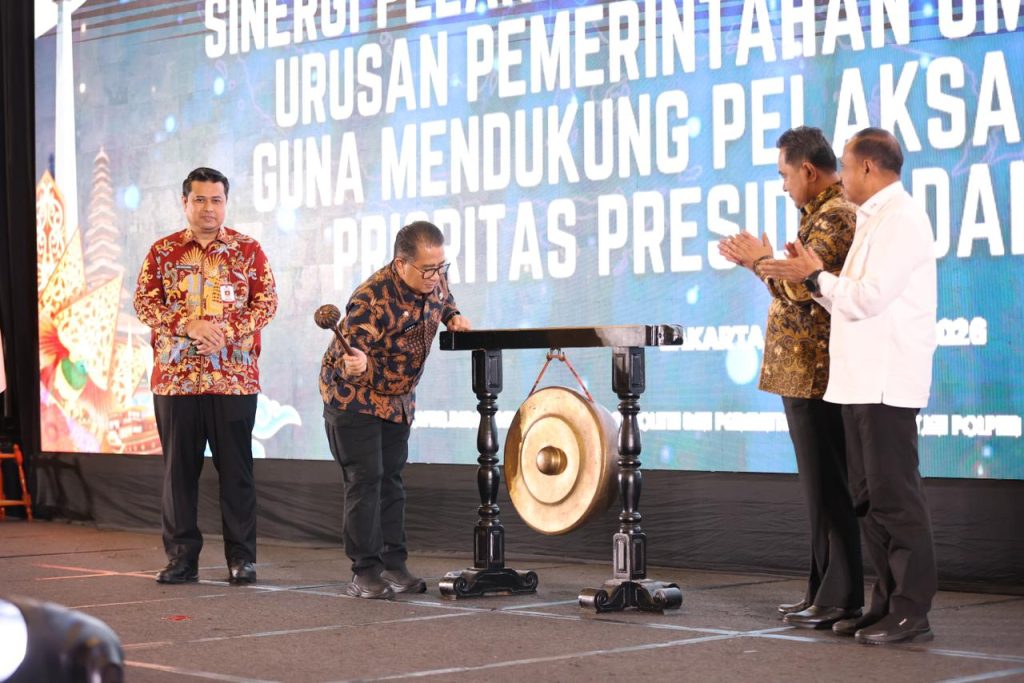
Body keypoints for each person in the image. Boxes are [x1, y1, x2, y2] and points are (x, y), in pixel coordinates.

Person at [760, 128, 938, 645]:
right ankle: (883, 604)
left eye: (845, 165)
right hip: (857, 382)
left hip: (887, 382)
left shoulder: (902, 218)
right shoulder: (869, 218)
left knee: (895, 500)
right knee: (868, 501)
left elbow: (869, 298)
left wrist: (815, 277)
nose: (840, 175)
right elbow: (845, 298)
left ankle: (911, 610)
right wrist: (813, 278)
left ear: (867, 168)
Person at [719, 126, 863, 629]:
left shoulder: (836, 215)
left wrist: (760, 262)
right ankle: (822, 592)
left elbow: (803, 291)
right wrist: (763, 265)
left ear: (807, 170)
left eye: (785, 175)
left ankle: (841, 597)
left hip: (817, 374)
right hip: (803, 374)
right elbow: (792, 285)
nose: (783, 186)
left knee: (829, 488)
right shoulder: (817, 216)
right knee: (818, 491)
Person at [134, 167, 278, 585]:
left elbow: (267, 303)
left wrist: (224, 332)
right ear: (185, 203)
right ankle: (181, 558)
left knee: (237, 473)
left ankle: (242, 559)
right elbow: (144, 303)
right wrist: (188, 325)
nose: (208, 208)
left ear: (225, 203)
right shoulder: (162, 252)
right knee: (179, 474)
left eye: (216, 200)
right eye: (199, 200)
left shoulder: (248, 250)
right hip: (176, 381)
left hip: (233, 379)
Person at [319, 221, 471, 599]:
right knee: (366, 481)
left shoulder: (435, 278)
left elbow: (444, 298)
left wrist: (452, 316)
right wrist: (354, 362)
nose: (436, 277)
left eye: (441, 268)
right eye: (428, 270)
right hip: (355, 398)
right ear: (401, 264)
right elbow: (348, 356)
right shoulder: (370, 300)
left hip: (398, 399)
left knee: (392, 482)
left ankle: (394, 565)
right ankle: (365, 571)